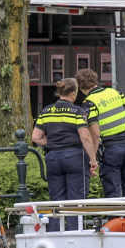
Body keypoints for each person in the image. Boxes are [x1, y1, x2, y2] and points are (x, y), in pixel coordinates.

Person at [32, 78, 98, 231]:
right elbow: (86, 137)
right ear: (73, 93)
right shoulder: (77, 111)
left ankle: (55, 235)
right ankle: (74, 235)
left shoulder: (46, 111)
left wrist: (52, 143)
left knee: (56, 200)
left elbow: (36, 137)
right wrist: (93, 161)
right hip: (74, 158)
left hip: (53, 158)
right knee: (76, 201)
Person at [76, 68, 125, 197]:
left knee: (113, 192)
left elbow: (95, 134)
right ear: (96, 79)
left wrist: (93, 158)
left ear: (80, 87)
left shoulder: (89, 103)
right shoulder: (115, 92)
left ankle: (115, 218)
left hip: (110, 150)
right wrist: (124, 132)